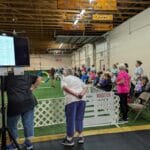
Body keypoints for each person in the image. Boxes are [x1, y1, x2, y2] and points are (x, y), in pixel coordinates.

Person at [4, 72, 41, 150]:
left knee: (12, 125)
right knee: (28, 123)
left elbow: (3, 88)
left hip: (16, 104)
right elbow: (39, 78)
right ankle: (28, 144)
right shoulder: (26, 74)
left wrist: (33, 87)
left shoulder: (6, 77)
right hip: (28, 102)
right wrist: (33, 87)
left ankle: (14, 145)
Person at [61, 68, 88, 146]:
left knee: (70, 119)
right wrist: (81, 94)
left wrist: (76, 94)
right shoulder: (77, 78)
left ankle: (69, 139)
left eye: (64, 72)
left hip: (71, 100)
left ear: (65, 73)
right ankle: (81, 136)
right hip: (82, 99)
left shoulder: (64, 78)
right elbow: (85, 87)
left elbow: (64, 88)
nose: (63, 73)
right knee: (79, 118)